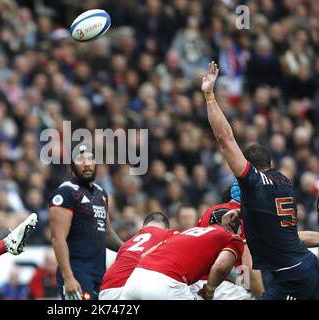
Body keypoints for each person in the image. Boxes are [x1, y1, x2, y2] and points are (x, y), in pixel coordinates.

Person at [202, 61, 319, 300]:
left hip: (290, 277)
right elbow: (269, 216)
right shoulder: (283, 181)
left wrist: (209, 96)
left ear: (250, 168)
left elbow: (225, 139)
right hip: (303, 265)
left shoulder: (254, 182)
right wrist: (243, 212)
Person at [48, 143, 123, 300]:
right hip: (76, 273)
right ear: (72, 165)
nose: (87, 163)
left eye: (91, 159)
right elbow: (57, 238)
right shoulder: (66, 192)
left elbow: (107, 234)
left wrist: (129, 250)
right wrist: (68, 277)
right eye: (81, 159)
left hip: (99, 273)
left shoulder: (101, 193)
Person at [120, 224, 244, 300]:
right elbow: (221, 266)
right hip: (167, 283)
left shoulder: (190, 231)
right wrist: (210, 290)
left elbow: (145, 255)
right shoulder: (233, 238)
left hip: (136, 278)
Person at [99, 211, 174, 300]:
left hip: (106, 290)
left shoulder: (127, 244)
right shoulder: (168, 235)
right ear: (167, 229)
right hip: (130, 291)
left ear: (142, 228)